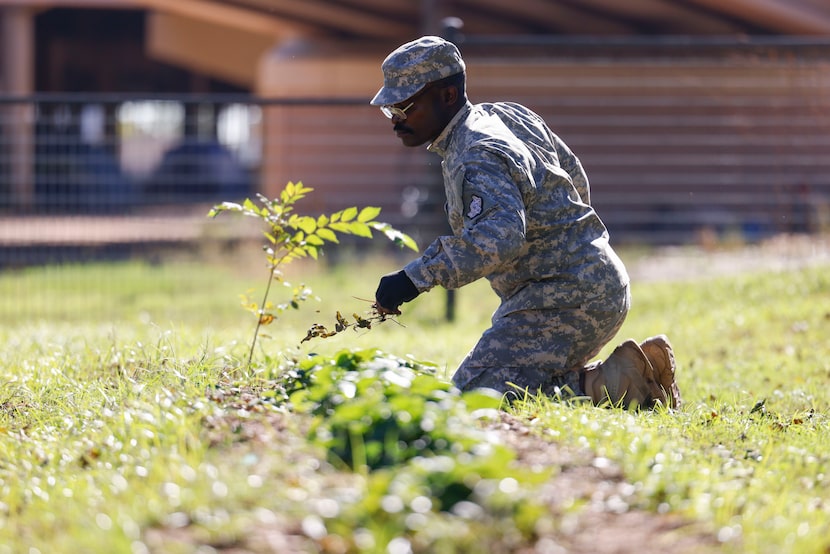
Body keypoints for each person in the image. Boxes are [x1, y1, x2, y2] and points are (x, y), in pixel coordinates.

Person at [371, 36, 681, 409]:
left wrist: (414, 278)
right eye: (389, 112)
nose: (396, 122)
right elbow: (573, 175)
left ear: (447, 96)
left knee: (478, 400)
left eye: (403, 108)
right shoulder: (507, 116)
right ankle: (633, 369)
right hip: (593, 280)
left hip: (561, 297)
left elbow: (497, 239)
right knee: (500, 386)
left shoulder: (475, 153)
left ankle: (617, 386)